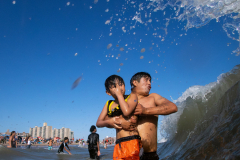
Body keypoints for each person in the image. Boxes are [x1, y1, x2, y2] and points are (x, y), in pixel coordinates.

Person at [109, 72, 178, 160]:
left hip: (149, 155)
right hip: (128, 153)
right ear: (135, 82)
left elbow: (173, 107)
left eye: (150, 81)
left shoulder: (152, 97)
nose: (149, 83)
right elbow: (106, 120)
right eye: (146, 80)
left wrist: (145, 111)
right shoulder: (124, 101)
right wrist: (111, 122)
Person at [96, 75, 141, 160]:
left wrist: (119, 96)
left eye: (121, 84)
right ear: (108, 92)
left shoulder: (132, 96)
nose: (119, 88)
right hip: (118, 144)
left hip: (132, 141)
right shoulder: (108, 104)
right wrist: (109, 122)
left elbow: (126, 112)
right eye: (114, 87)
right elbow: (98, 123)